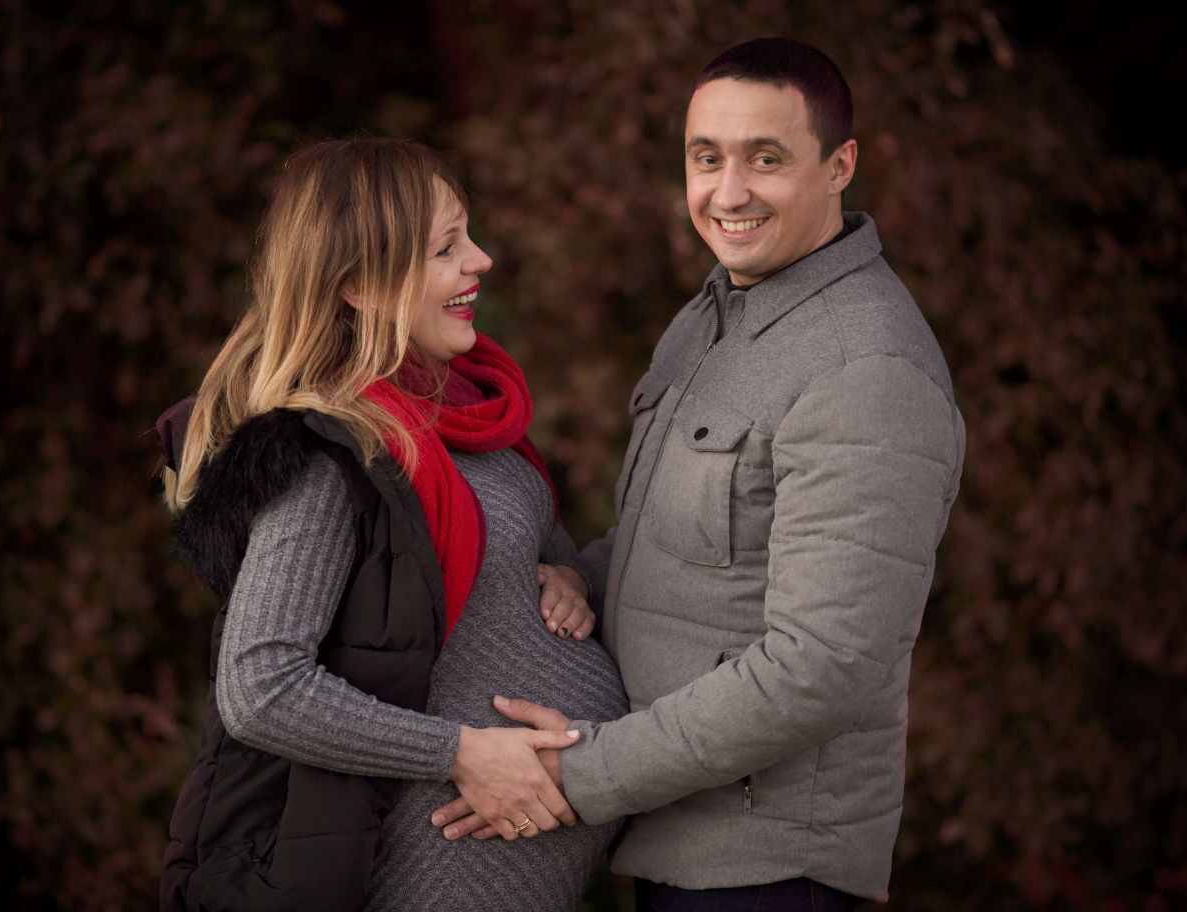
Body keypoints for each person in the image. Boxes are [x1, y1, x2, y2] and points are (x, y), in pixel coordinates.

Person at [432, 38, 966, 909]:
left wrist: (580, 773)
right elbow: (689, 539)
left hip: (769, 872)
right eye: (706, 157)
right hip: (677, 842)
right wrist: (583, 577)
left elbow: (822, 667)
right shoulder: (715, 315)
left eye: (766, 159)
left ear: (840, 166)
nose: (729, 192)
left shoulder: (867, 370)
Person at [156, 138, 627, 912]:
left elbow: (523, 561)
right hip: (426, 877)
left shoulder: (468, 414)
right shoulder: (330, 456)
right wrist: (463, 753)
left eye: (468, 236)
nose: (480, 260)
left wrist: (570, 578)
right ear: (359, 285)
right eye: (446, 248)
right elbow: (260, 685)